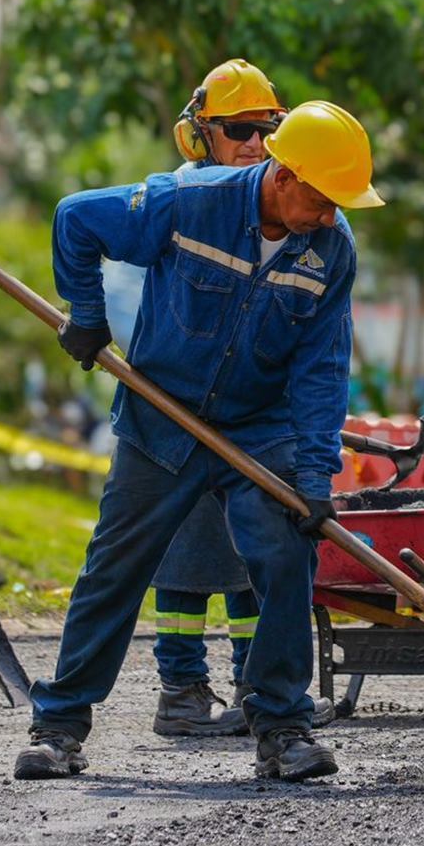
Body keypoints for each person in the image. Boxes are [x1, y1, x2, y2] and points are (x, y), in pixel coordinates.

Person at [15, 100, 382, 783]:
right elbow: (75, 218)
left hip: (258, 426)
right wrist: (87, 316)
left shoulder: (332, 249)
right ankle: (59, 725)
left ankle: (282, 727)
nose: (332, 214)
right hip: (165, 418)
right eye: (324, 197)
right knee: (115, 567)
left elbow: (323, 366)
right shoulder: (186, 201)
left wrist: (314, 476)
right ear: (282, 173)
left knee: (283, 555)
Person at [107, 59, 284, 737]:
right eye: (237, 129)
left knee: (249, 554)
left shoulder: (276, 207)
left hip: (243, 416)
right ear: (199, 136)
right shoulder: (179, 198)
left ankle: (251, 685)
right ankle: (181, 689)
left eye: (265, 130)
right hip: (172, 415)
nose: (252, 144)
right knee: (181, 556)